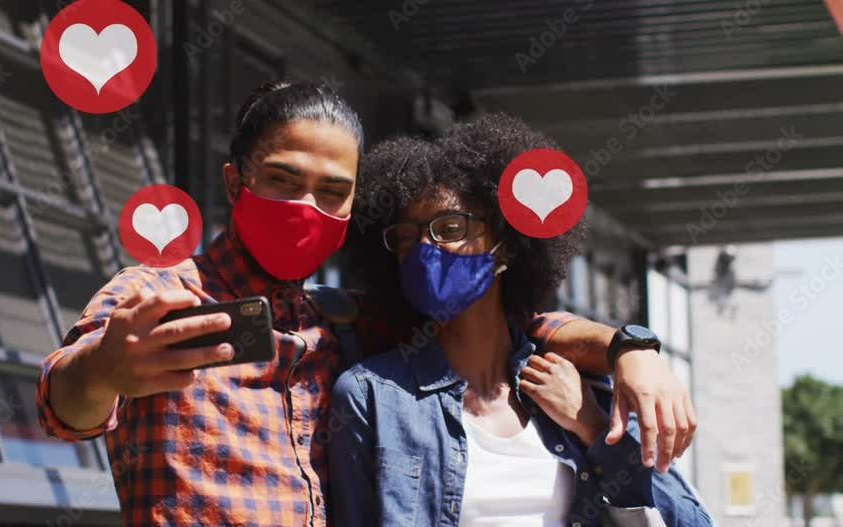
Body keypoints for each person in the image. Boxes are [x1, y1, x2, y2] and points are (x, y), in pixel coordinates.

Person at [36, 81, 696, 526]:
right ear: (235, 180)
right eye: (282, 180)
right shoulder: (157, 297)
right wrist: (99, 372)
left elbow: (506, 325)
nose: (305, 206)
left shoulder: (344, 320)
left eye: (332, 191)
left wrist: (629, 346)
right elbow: (62, 404)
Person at [329, 115, 712, 526]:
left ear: (505, 247)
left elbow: (689, 521)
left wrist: (594, 428)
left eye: (450, 227)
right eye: (407, 237)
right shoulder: (372, 397)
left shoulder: (582, 389)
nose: (425, 247)